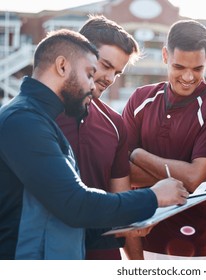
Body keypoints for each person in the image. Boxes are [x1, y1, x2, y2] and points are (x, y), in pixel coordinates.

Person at [0, 29, 188, 260]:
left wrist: (129, 220)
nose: (95, 85)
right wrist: (153, 197)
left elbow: (62, 221)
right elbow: (74, 204)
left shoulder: (41, 120)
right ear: (62, 66)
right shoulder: (23, 120)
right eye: (90, 74)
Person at [122, 19, 206, 259]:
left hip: (196, 246)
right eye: (179, 66)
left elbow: (194, 179)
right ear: (165, 55)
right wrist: (183, 172)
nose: (188, 77)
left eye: (197, 69)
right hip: (139, 238)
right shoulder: (141, 98)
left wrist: (137, 154)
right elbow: (119, 173)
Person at [56, 15, 141, 260]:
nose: (110, 78)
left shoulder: (115, 124)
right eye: (105, 65)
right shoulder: (35, 116)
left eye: (117, 71)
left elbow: (122, 204)